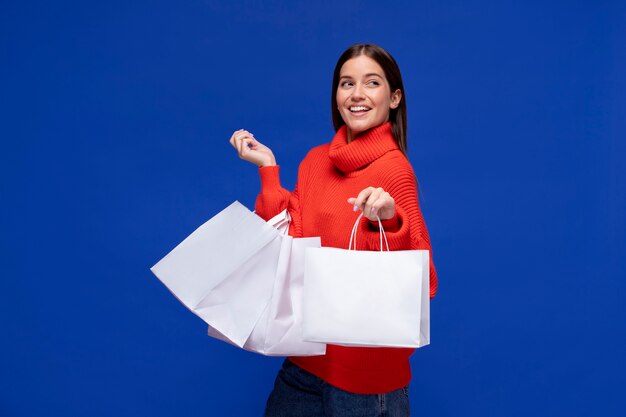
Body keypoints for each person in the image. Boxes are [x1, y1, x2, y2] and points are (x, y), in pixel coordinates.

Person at [229, 43, 438, 417]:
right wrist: (269, 169)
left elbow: (427, 284)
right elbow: (288, 244)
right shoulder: (313, 162)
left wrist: (390, 221)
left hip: (367, 386)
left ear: (394, 97)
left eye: (371, 83)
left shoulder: (395, 172)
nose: (356, 94)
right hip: (304, 364)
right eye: (346, 83)